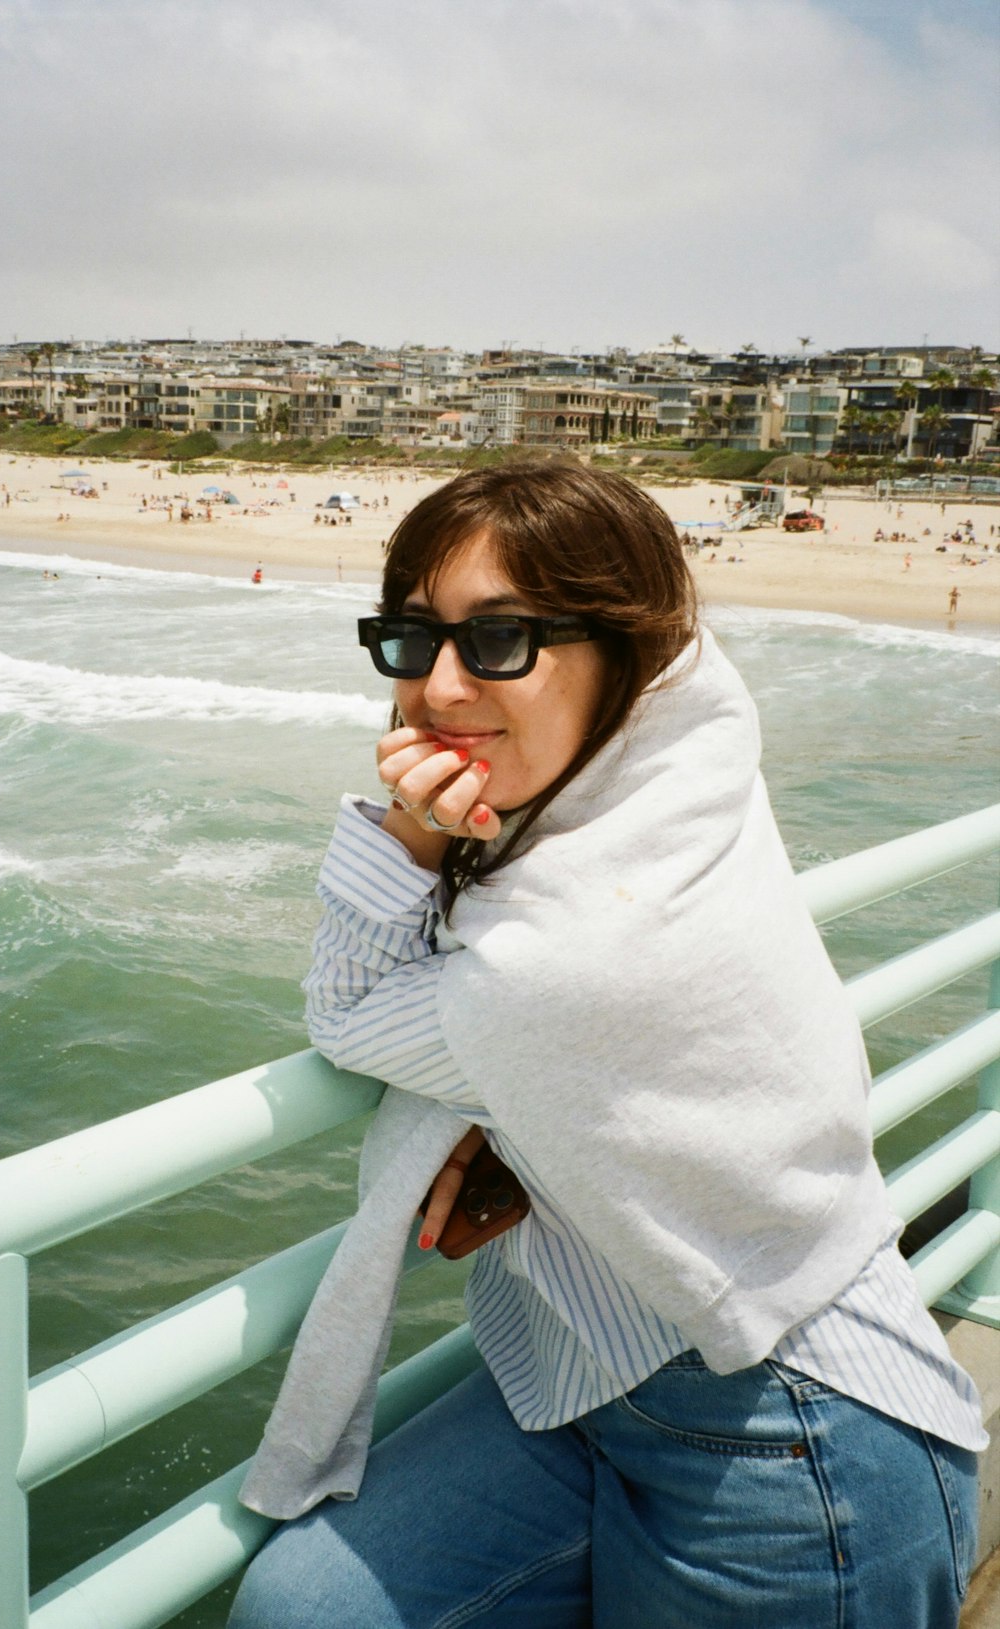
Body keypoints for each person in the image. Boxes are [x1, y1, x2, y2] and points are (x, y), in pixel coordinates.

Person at [229, 464, 982, 1629]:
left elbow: (347, 1009)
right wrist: (523, 1132)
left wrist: (409, 836)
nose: (433, 687)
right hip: (585, 1378)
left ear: (628, 655)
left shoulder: (569, 958)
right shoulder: (681, 768)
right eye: (412, 638)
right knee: (304, 1606)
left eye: (500, 640)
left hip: (789, 1445)